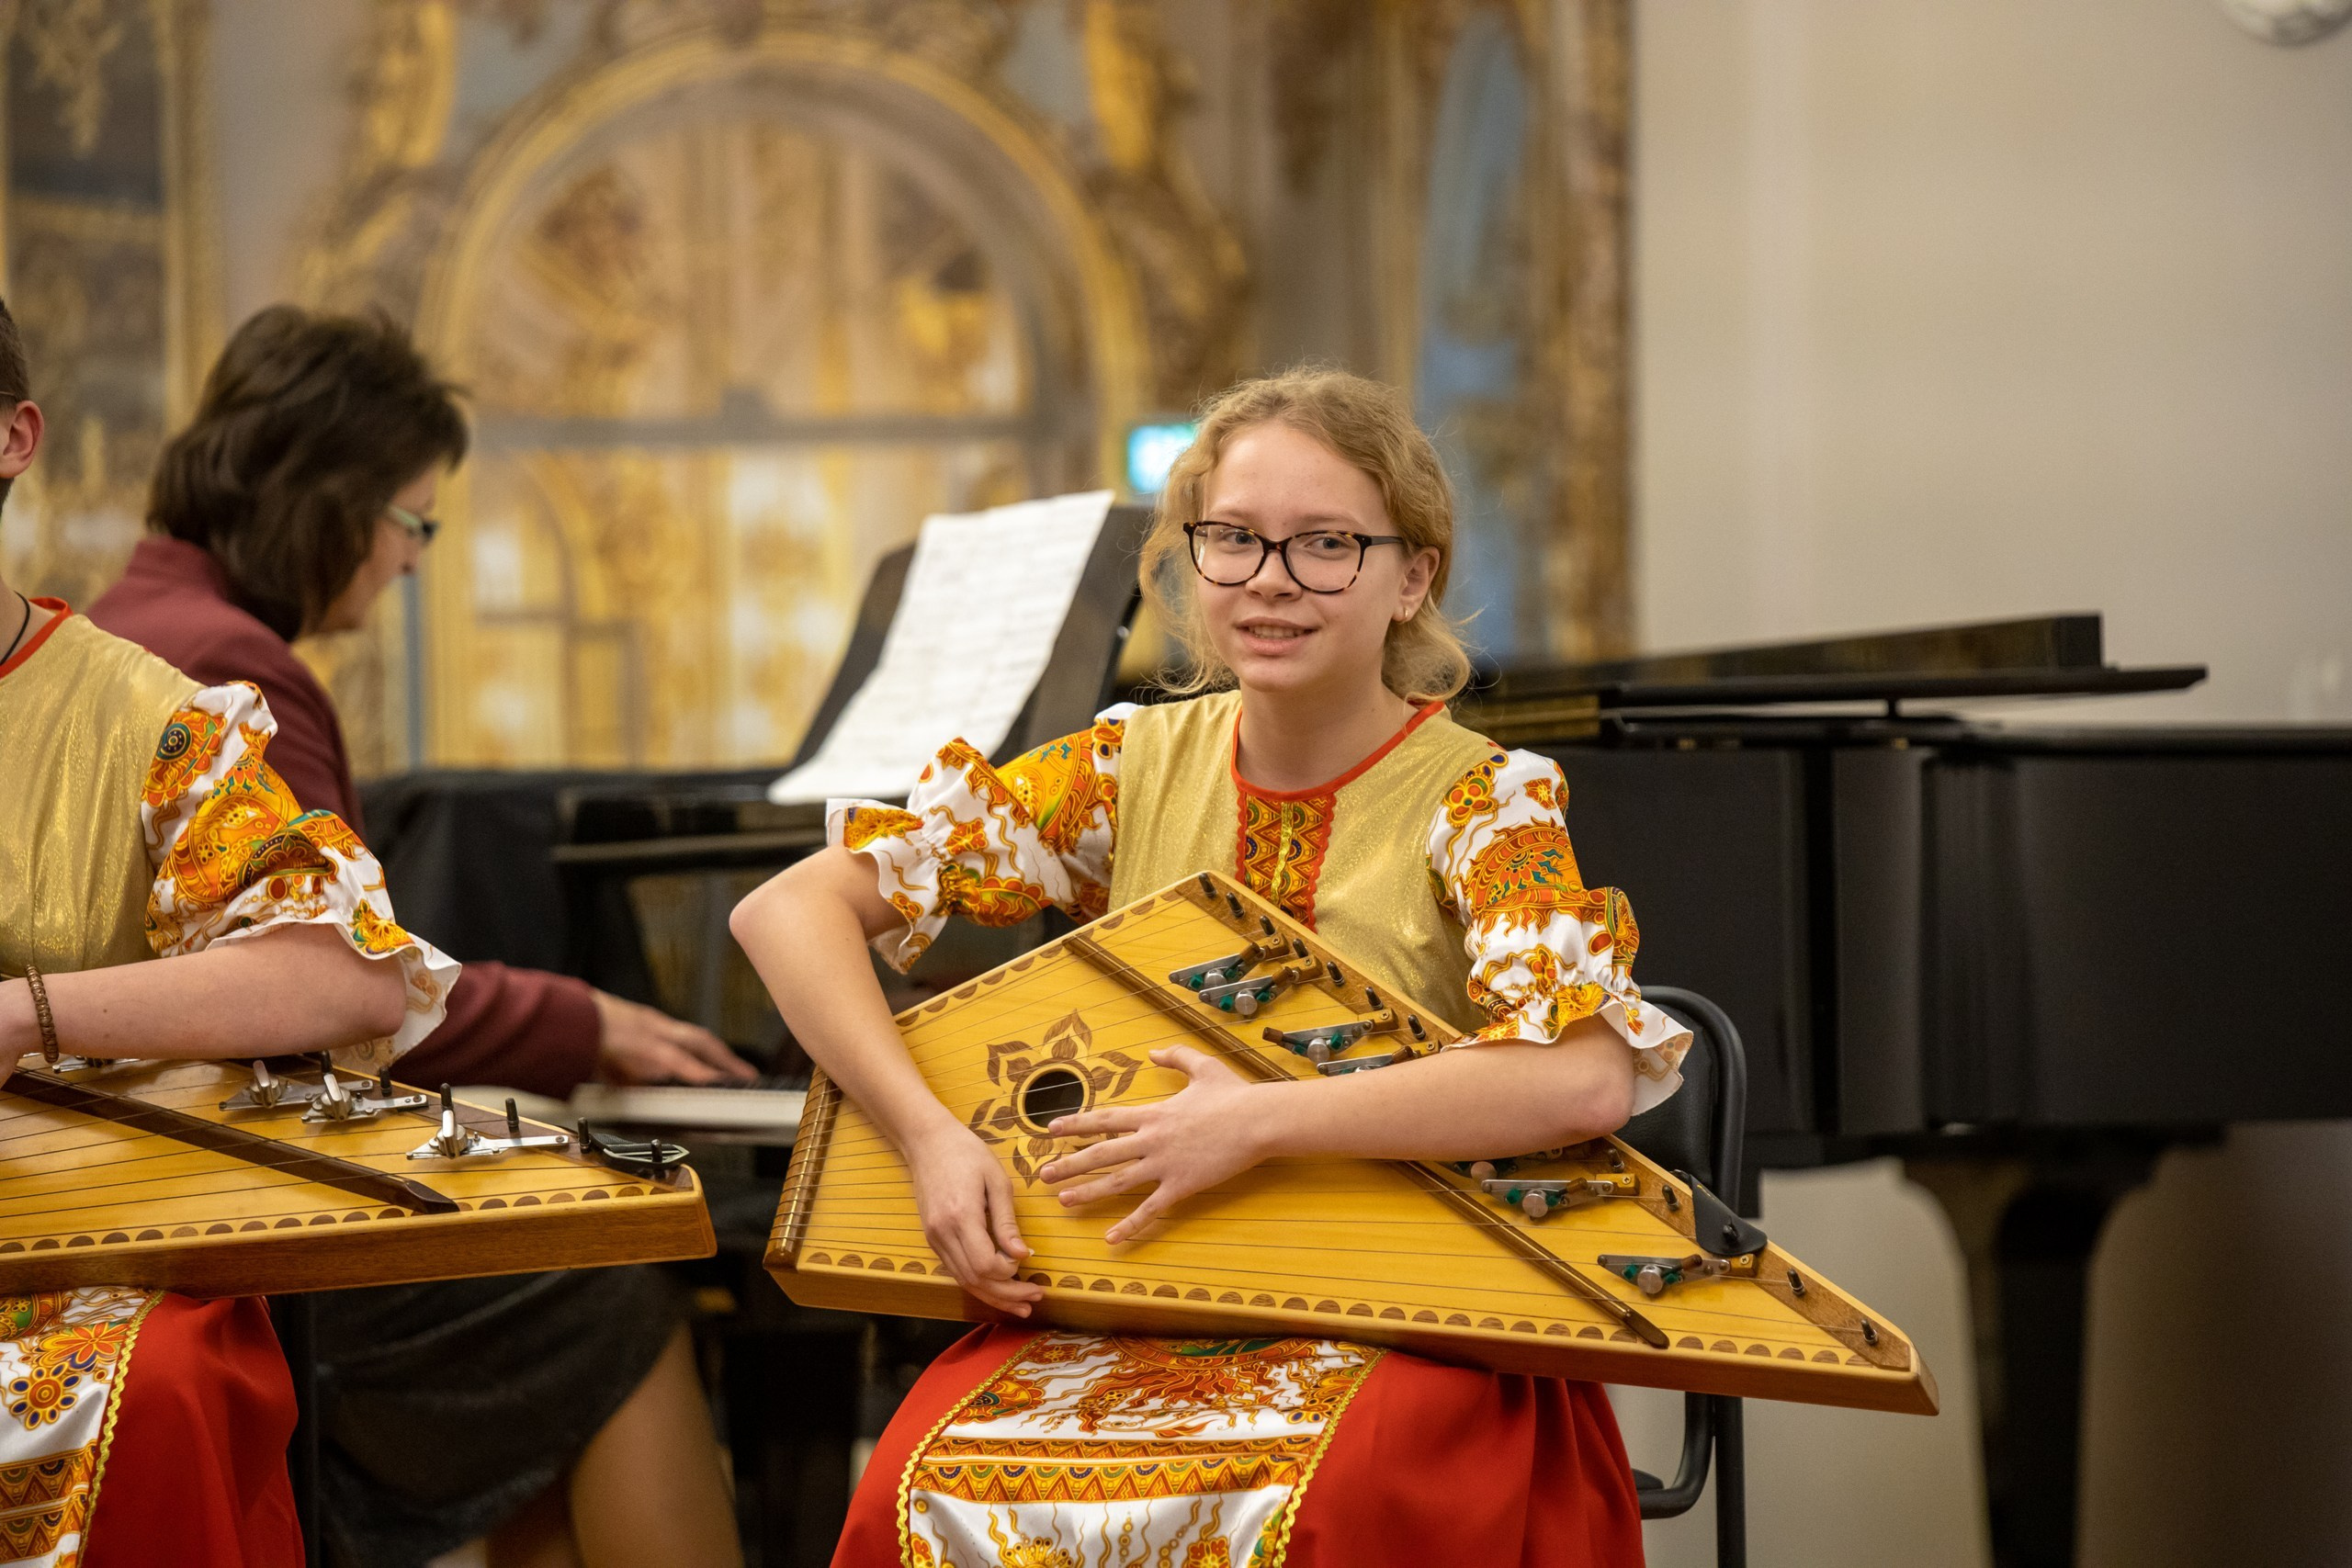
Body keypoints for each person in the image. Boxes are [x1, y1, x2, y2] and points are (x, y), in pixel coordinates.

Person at [730, 367, 1694, 1567]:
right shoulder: (1125, 771)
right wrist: (929, 1136)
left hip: (1411, 1314)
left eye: (1325, 543)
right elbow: (787, 911)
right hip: (1143, 1294)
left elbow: (1583, 1082)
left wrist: (1258, 1125)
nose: (1271, 580)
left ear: (1412, 576)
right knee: (900, 1500)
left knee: (1323, 1511)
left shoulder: (1484, 802)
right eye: (1233, 540)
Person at [86, 307, 744, 1568]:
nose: (411, 562)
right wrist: (584, 1022)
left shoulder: (135, 618)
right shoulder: (234, 667)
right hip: (232, 1225)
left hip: (168, 1182)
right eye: (411, 520)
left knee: (544, 1333)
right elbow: (350, 985)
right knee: (598, 1297)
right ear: (329, 498)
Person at [0, 296, 457, 1565]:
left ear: (13, 436)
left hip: (60, 1262)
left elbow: (349, 973)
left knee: (159, 1395)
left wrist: (28, 1016)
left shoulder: (158, 721)